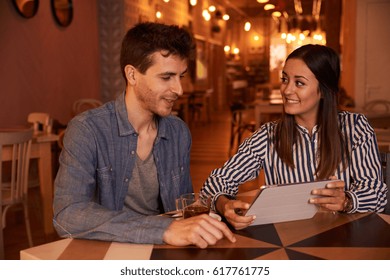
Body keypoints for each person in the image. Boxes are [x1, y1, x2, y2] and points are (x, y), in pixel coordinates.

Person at [53, 22, 236, 248]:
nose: (179, 89)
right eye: (166, 77)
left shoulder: (178, 132)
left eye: (181, 76)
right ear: (132, 74)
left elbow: (182, 207)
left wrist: (220, 206)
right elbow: (67, 215)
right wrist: (163, 230)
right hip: (108, 251)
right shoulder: (87, 130)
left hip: (164, 249)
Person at [201, 44, 387, 230]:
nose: (287, 90)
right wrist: (223, 204)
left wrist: (347, 200)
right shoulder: (268, 136)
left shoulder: (355, 128)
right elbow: (214, 184)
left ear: (323, 90)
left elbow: (377, 194)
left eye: (299, 83)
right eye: (284, 79)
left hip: (342, 243)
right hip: (285, 242)